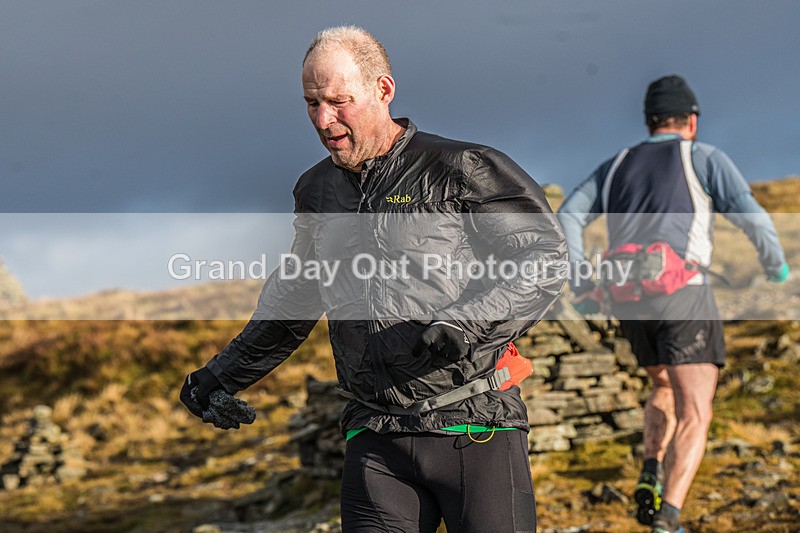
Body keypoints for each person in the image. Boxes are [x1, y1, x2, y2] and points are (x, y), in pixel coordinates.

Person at [180, 25, 567, 533]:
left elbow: (545, 256)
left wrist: (467, 324)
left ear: (383, 90)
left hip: (474, 427)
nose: (324, 120)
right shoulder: (316, 190)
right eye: (311, 103)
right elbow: (297, 294)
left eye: (339, 102)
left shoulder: (461, 167)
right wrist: (220, 376)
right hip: (375, 436)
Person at [557, 75, 788, 533]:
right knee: (696, 410)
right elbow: (753, 216)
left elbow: (567, 215)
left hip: (628, 300)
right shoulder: (701, 157)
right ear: (692, 120)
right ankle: (669, 519)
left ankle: (649, 468)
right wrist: (775, 266)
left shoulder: (616, 165)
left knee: (662, 384)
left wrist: (582, 282)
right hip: (683, 295)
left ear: (649, 121)